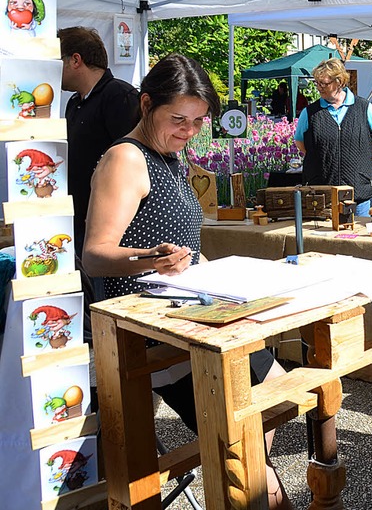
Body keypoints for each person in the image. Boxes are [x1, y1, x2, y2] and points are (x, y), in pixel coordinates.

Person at [82, 53, 292, 509]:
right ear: (145, 105)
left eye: (199, 121)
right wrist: (149, 259)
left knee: (275, 398)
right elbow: (95, 256)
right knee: (242, 427)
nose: (188, 130)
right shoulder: (126, 158)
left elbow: (184, 240)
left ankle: (254, 481)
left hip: (191, 315)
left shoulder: (171, 157)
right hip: (150, 329)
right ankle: (254, 485)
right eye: (178, 118)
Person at [59, 26, 140, 253]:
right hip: (79, 218)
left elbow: (134, 162)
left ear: (75, 60)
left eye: (57, 60)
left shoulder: (119, 96)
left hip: (110, 229)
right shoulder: (74, 103)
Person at [294, 58, 372, 216]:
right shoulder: (309, 113)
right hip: (322, 192)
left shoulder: (364, 108)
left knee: (359, 237)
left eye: (324, 83)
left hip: (358, 190)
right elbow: (300, 142)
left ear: (340, 81)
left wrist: (362, 152)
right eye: (317, 83)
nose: (319, 87)